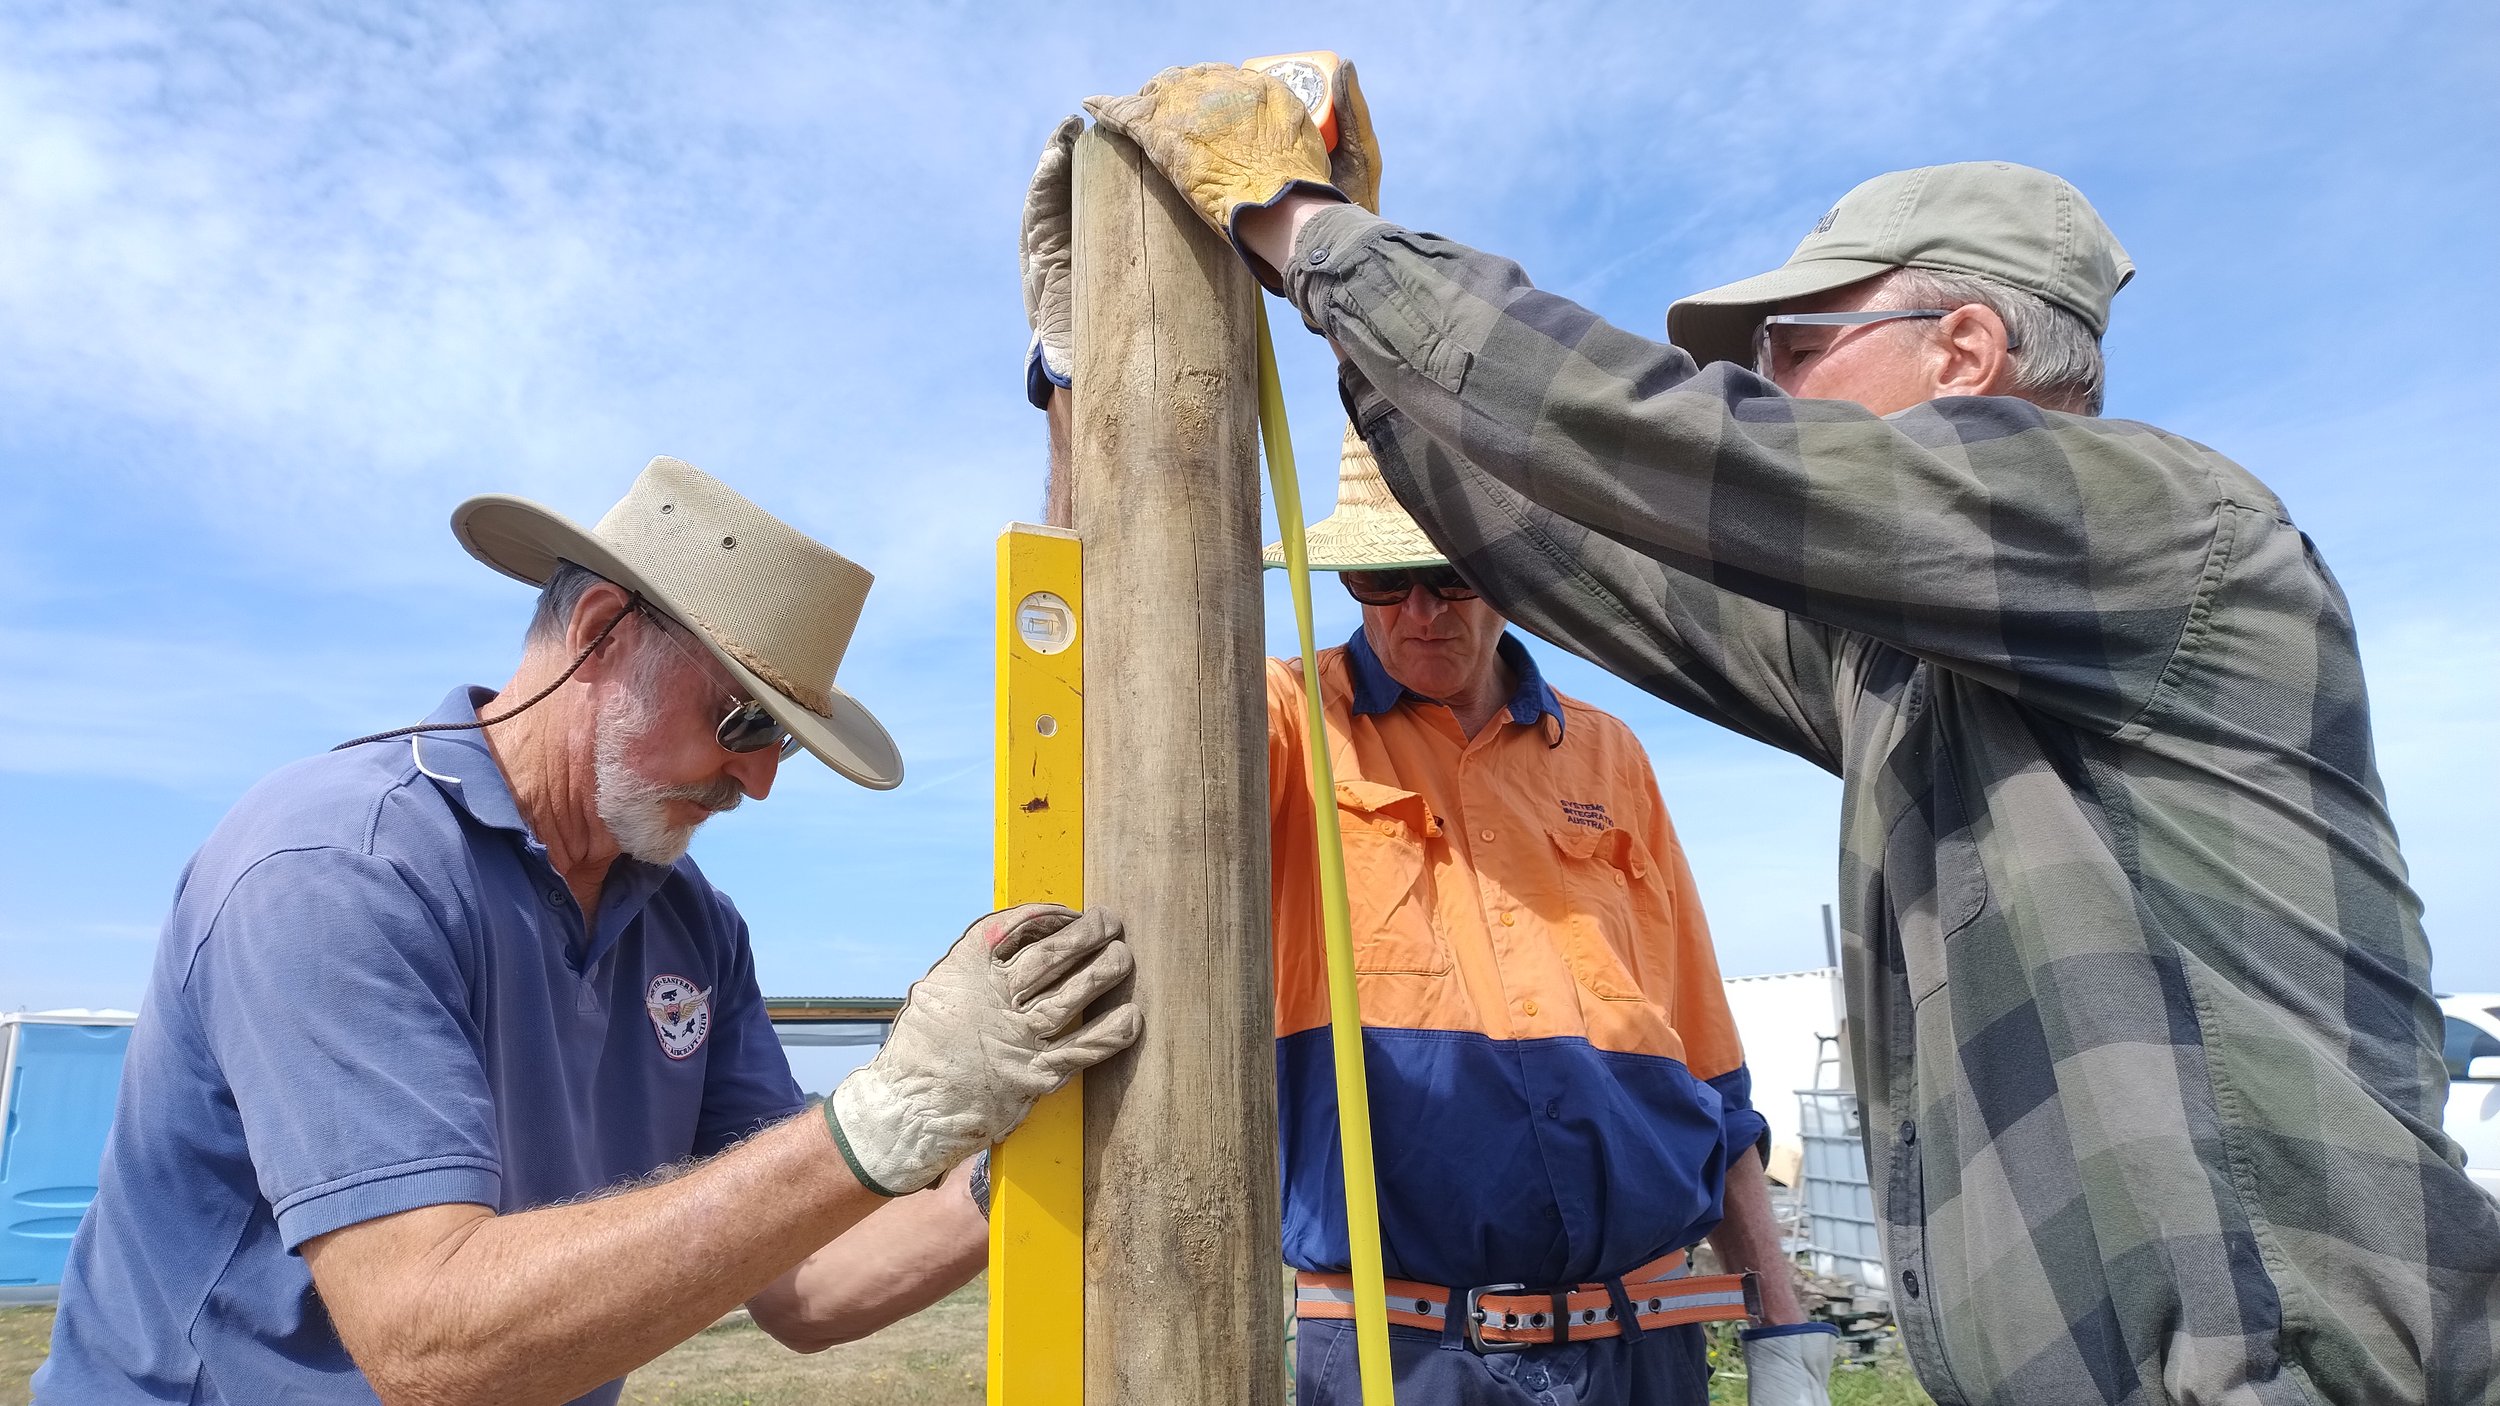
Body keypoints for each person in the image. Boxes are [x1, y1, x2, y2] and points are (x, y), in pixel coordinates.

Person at [1078, 65, 2500, 1406]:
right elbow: (1600, 555)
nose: (1768, 383)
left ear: (1965, 349)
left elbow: (1690, 455)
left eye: (1800, 345)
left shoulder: (2152, 520)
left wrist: (1323, 238)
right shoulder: (1916, 667)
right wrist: (1375, 355)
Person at [35, 456, 1142, 1405]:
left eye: (785, 743)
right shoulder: (338, 869)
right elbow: (428, 1340)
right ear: (602, 631)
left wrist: (1013, 1160)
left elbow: (804, 1277)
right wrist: (887, 1113)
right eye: (745, 719)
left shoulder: (691, 925)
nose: (757, 780)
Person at [1020, 116, 1834, 1404]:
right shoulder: (1285, 725)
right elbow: (1106, 659)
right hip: (1409, 1354)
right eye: (1384, 577)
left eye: (1452, 574)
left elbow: (1709, 1066)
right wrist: (1078, 386)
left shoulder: (1608, 755)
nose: (1421, 610)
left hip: (1649, 1345)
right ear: (1347, 574)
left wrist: (1780, 1323)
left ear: (1502, 572)